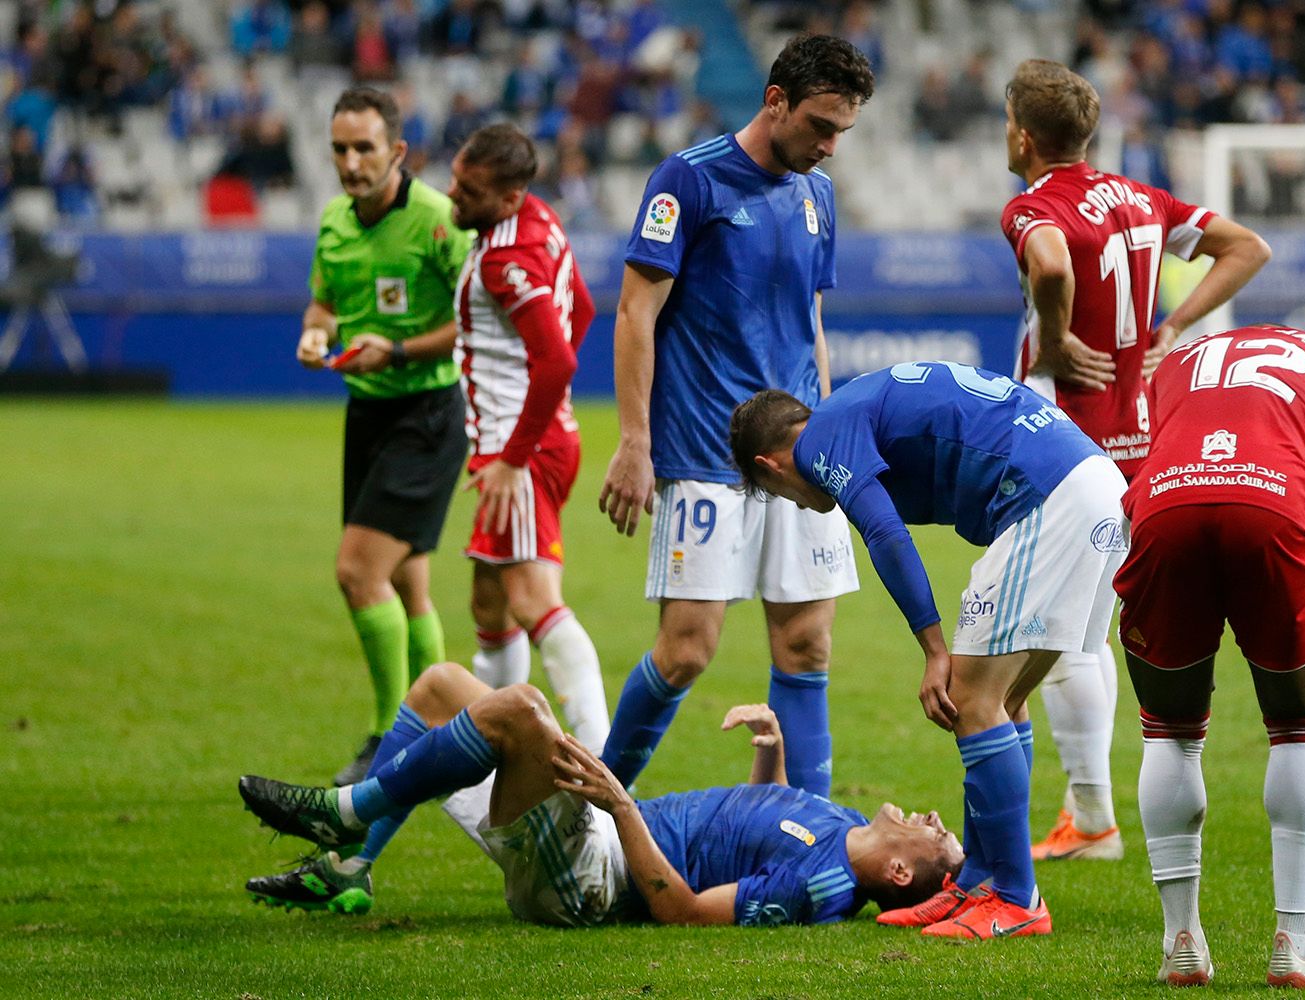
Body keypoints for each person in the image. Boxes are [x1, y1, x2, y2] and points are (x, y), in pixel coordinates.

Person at [727, 360, 1127, 941]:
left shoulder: (818, 443)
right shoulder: (850, 409)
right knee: (1003, 699)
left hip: (1049, 494)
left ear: (769, 466)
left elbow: (884, 533)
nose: (797, 503)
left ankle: (1015, 898)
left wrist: (933, 648)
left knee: (971, 697)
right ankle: (980, 881)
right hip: (1093, 484)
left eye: (778, 496)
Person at [999, 58, 1272, 862]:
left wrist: (1054, 339)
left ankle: (1092, 819)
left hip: (1065, 441)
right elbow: (1247, 247)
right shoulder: (1140, 199)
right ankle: (1088, 815)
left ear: (1023, 135)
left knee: (1062, 637)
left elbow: (1052, 262)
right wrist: (1174, 326)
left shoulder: (1033, 206)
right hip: (1138, 439)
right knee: (1087, 630)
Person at [594, 34, 875, 799]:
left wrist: (828, 436)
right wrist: (634, 441)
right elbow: (635, 313)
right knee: (687, 649)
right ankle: (596, 809)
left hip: (799, 458)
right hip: (703, 450)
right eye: (820, 125)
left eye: (842, 131)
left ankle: (810, 831)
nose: (830, 146)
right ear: (775, 100)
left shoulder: (819, 197)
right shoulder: (688, 180)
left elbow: (810, 323)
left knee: (807, 645)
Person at [237, 663, 964, 925]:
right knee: (442, 687)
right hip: (594, 834)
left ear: (900, 873)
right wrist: (770, 757)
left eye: (939, 837)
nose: (935, 818)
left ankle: (342, 815)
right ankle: (351, 866)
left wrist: (619, 805)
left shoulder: (819, 889)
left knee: (522, 709)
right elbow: (754, 835)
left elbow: (684, 912)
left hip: (592, 879)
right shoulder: (841, 824)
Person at [1114, 324, 1305, 987]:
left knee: (1168, 730)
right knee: (1301, 727)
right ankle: (1295, 943)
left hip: (1164, 505)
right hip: (1270, 503)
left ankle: (1181, 942)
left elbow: (1161, 448)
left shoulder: (1176, 362)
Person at [297, 87, 471, 786]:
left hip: (428, 413)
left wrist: (396, 351)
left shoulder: (438, 220)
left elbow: (477, 318)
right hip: (366, 414)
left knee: (357, 572)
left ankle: (386, 738)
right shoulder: (333, 221)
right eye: (339, 149)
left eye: (363, 148)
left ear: (397, 151)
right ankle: (445, 734)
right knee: (405, 583)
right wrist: (316, 333)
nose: (350, 162)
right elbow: (324, 301)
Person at [444, 122, 611, 754]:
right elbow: (582, 310)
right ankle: (490, 752)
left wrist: (515, 457)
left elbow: (558, 360)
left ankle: (604, 769)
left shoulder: (502, 259)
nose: (453, 196)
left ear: (509, 196)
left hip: (522, 451)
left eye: (470, 192)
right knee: (489, 603)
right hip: (540, 438)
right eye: (456, 181)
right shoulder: (540, 218)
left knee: (533, 601)